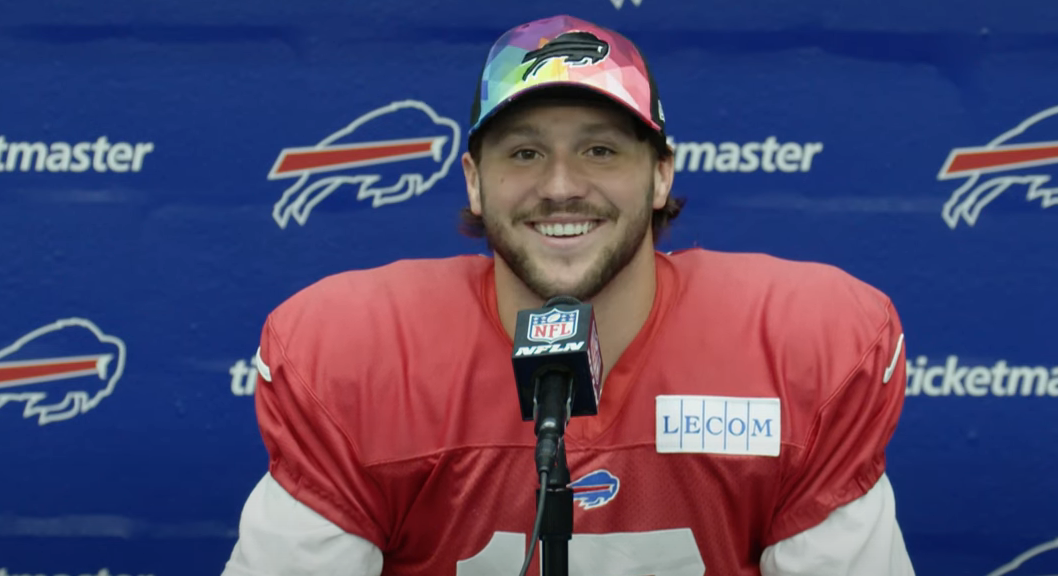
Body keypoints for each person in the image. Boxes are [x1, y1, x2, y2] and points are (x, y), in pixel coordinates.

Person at [222, 14, 915, 576]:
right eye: (524, 153)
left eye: (600, 150)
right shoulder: (364, 356)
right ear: (474, 180)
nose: (560, 186)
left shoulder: (796, 347)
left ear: (661, 175)